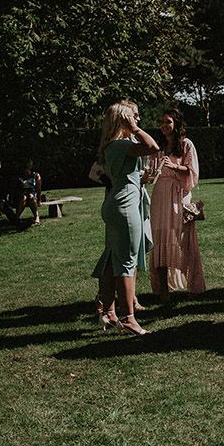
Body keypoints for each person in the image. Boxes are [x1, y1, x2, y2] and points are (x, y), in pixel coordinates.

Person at [91, 102, 159, 335]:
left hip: (117, 203)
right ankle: (128, 317)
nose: (137, 121)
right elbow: (153, 146)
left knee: (113, 259)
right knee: (126, 262)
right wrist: (136, 130)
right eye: (132, 118)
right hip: (124, 207)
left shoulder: (115, 145)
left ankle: (107, 311)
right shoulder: (120, 145)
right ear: (122, 121)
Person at [149, 108, 205, 301]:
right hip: (160, 196)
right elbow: (150, 171)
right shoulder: (157, 146)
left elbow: (193, 172)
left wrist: (175, 167)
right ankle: (162, 290)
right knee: (161, 239)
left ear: (176, 124)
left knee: (182, 239)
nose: (164, 126)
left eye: (168, 122)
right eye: (162, 122)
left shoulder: (186, 144)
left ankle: (193, 285)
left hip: (179, 195)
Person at [15, 159, 42, 226]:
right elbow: (14, 188)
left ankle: (36, 217)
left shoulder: (36, 175)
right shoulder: (19, 176)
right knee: (23, 198)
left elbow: (38, 189)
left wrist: (39, 200)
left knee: (31, 196)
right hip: (21, 194)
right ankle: (16, 218)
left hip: (32, 194)